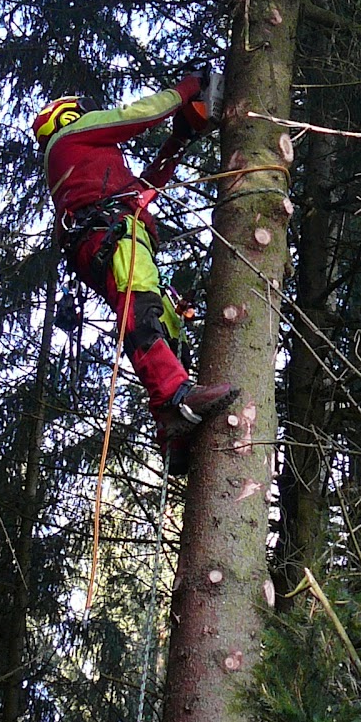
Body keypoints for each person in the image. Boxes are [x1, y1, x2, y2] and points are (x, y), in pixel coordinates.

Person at [33, 75, 238, 462]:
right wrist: (185, 90)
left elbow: (142, 188)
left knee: (164, 320)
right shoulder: (70, 138)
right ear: (68, 115)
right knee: (140, 306)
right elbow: (137, 115)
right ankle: (173, 397)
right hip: (112, 232)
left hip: (111, 233)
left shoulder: (84, 165)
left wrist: (179, 140)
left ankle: (173, 430)